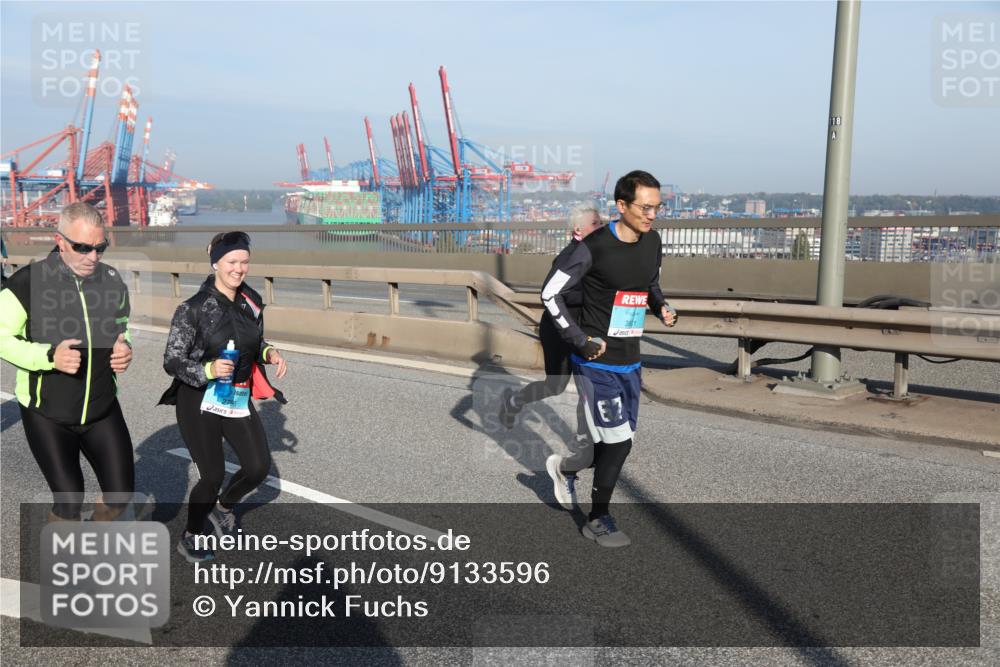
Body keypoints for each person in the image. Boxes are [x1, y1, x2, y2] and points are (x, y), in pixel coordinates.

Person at [540, 170, 677, 547]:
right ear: (621, 205)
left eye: (657, 207)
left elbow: (649, 285)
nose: (651, 215)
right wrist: (580, 340)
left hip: (631, 359)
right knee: (619, 442)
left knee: (609, 442)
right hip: (596, 361)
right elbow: (550, 294)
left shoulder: (653, 243)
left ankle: (563, 468)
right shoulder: (593, 247)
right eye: (644, 207)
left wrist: (662, 306)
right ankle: (598, 518)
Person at [0, 202, 135, 522]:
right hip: (48, 412)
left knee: (120, 494)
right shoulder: (27, 282)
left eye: (100, 248)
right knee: (69, 502)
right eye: (82, 247)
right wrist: (48, 357)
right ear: (59, 240)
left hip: (101, 407)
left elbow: (122, 324)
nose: (92, 257)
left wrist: (123, 346)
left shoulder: (112, 281)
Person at [160, 231, 288, 563]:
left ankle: (224, 507)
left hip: (236, 396)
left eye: (244, 261)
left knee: (258, 468)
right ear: (216, 262)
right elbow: (173, 360)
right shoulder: (194, 308)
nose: (239, 268)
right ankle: (192, 532)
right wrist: (208, 371)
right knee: (213, 474)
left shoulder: (252, 302)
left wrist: (269, 352)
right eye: (232, 261)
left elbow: (252, 342)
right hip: (198, 398)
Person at [498, 204, 604, 429]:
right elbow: (549, 294)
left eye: (602, 222)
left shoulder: (598, 253)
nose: (602, 227)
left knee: (589, 385)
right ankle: (514, 400)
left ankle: (589, 444)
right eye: (596, 224)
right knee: (555, 385)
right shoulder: (571, 256)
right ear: (578, 231)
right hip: (560, 328)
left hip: (583, 328)